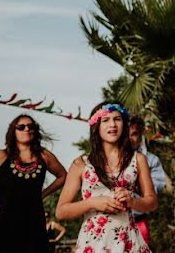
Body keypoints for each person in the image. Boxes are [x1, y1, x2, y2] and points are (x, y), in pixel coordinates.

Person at [56, 102, 156, 253]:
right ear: (96, 126)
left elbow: (152, 202)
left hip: (128, 242)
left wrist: (132, 201)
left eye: (117, 119)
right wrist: (92, 203)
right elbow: (61, 212)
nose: (112, 124)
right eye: (106, 120)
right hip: (92, 244)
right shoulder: (81, 164)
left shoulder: (138, 159)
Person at [0, 114, 67, 253]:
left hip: (33, 221)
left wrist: (43, 194)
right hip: (3, 221)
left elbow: (63, 176)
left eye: (31, 126)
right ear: (13, 131)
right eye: (21, 127)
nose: (26, 129)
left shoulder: (44, 156)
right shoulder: (0, 156)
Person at [129, 115, 167, 247]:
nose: (129, 139)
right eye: (126, 134)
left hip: (138, 222)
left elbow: (154, 192)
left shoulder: (151, 160)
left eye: (134, 134)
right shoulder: (106, 160)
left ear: (141, 135)